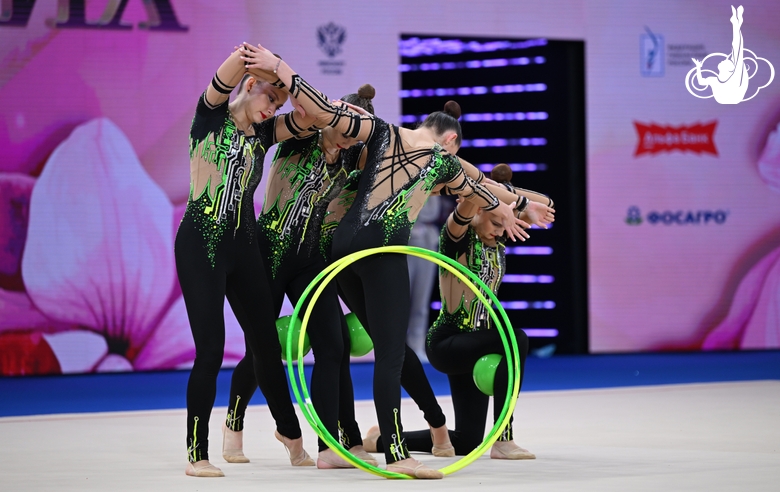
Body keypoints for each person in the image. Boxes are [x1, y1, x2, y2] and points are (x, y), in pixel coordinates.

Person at [238, 41, 554, 478]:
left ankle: (359, 438)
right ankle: (397, 451)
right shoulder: (443, 161)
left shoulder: (383, 131)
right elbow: (481, 185)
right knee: (388, 351)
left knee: (359, 346)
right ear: (452, 139)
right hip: (382, 249)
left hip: (343, 246)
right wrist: (522, 204)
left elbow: (324, 109)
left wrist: (281, 68)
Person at [176, 46, 318, 477]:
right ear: (250, 84)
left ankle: (292, 438)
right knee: (211, 351)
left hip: (245, 246)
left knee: (265, 346)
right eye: (268, 99)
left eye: (278, 104)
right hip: (201, 243)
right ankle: (197, 452)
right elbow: (228, 71)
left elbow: (314, 116)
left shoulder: (264, 134)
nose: (271, 109)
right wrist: (256, 58)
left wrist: (285, 76)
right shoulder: (211, 116)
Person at [222, 85, 379, 470]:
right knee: (263, 348)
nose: (347, 144)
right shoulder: (302, 133)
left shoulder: (353, 154)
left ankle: (329, 446)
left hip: (309, 259)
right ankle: (233, 422)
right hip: (268, 254)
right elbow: (304, 101)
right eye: (345, 132)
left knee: (333, 345)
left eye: (355, 138)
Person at [364, 163, 554, 459]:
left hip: (478, 344)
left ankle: (377, 440)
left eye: (504, 224)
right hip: (449, 342)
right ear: (478, 213)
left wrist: (513, 200)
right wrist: (490, 191)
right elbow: (468, 201)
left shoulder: (498, 234)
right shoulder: (456, 239)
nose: (500, 231)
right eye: (495, 222)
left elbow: (548, 204)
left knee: (466, 442)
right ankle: (504, 439)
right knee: (516, 339)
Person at [406, 196, 444, 363]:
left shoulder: (434, 174)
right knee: (400, 301)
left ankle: (417, 346)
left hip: (428, 240)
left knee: (421, 301)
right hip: (405, 240)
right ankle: (398, 348)